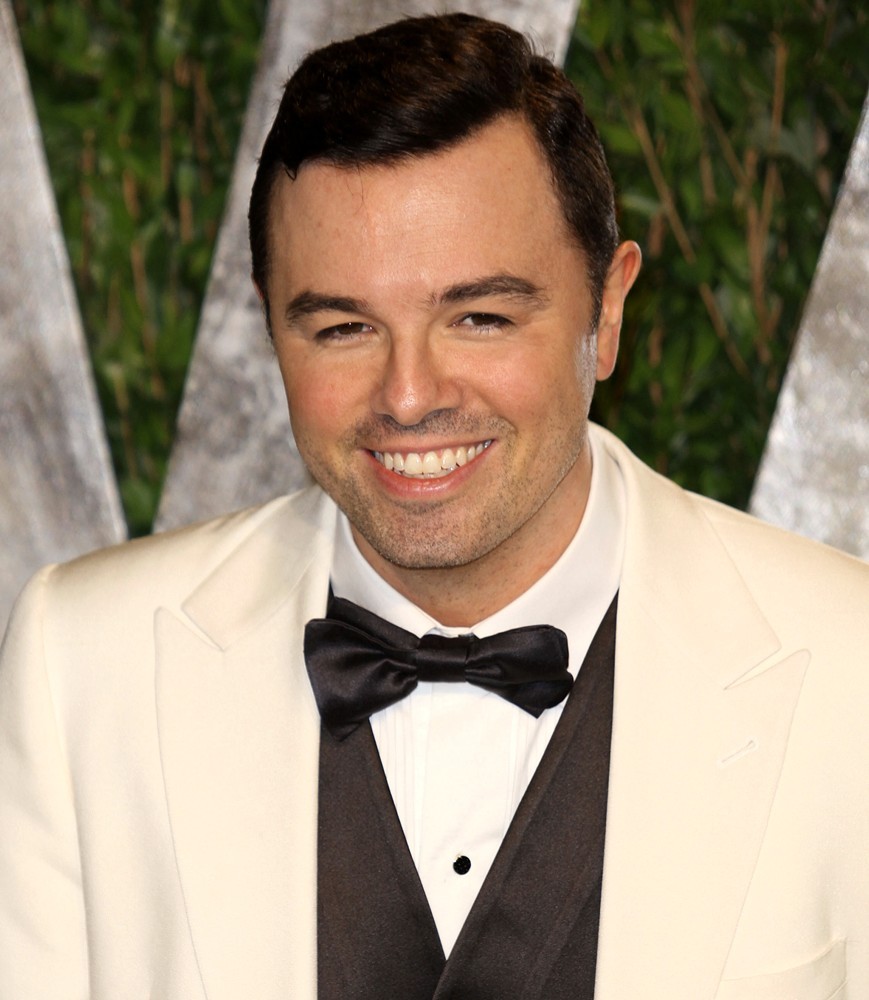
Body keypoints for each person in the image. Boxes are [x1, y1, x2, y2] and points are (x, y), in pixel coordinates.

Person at [1, 12, 867, 1000]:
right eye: (342, 327)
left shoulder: (850, 667)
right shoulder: (83, 664)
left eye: (479, 317)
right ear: (270, 328)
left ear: (607, 310)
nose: (408, 395)